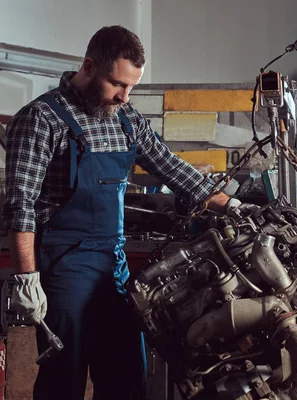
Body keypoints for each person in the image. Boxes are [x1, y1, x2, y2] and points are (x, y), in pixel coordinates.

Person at [3, 25, 251, 400]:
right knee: (64, 380)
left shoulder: (127, 120)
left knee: (126, 378)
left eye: (132, 86)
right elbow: (20, 205)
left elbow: (172, 168)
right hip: (66, 266)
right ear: (88, 66)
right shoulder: (41, 119)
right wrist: (26, 278)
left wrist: (232, 205)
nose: (125, 95)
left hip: (113, 263)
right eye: (117, 84)